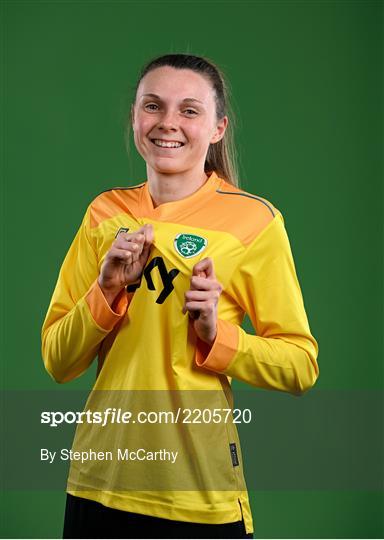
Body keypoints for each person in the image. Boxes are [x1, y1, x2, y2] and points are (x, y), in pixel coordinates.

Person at [41, 53, 319, 539]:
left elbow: (301, 365)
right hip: (97, 481)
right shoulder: (104, 213)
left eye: (189, 110)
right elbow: (57, 360)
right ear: (134, 117)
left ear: (218, 129)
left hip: (197, 495)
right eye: (153, 106)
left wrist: (217, 336)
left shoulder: (254, 221)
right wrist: (106, 290)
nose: (168, 123)